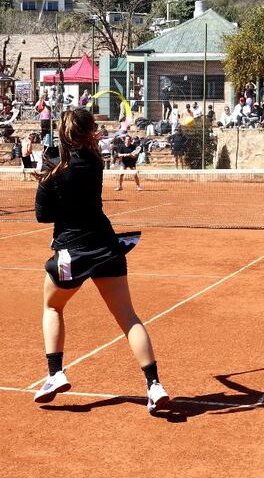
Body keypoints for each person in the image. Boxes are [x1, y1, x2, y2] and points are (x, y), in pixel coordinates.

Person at [32, 108, 168, 413]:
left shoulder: (53, 172)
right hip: (106, 247)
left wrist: (43, 177)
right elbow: (81, 155)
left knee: (53, 306)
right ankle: (154, 385)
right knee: (128, 317)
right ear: (89, 132)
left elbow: (43, 216)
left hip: (72, 252)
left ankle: (55, 374)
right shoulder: (95, 162)